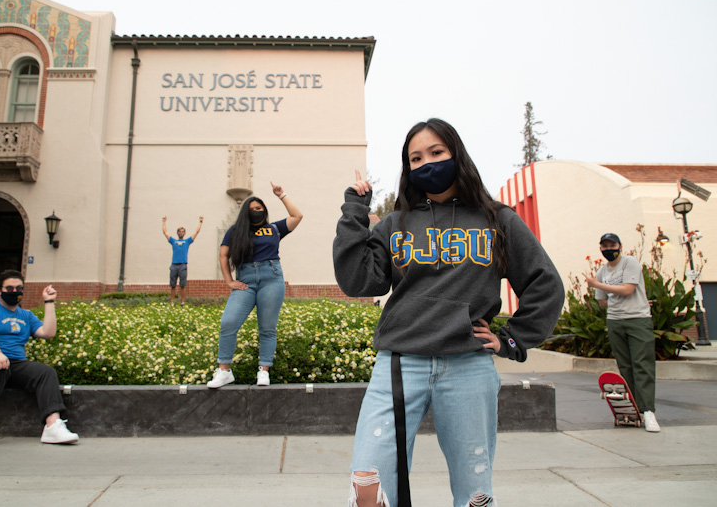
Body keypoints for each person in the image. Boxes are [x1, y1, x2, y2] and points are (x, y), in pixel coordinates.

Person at [333, 118, 565, 507]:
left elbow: (545, 282)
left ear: (457, 154)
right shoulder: (396, 223)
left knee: (475, 491)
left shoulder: (497, 219)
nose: (427, 163)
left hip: (467, 366)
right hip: (399, 364)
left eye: (437, 153)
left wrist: (513, 337)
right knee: (369, 485)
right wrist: (355, 210)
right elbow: (359, 281)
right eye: (416, 158)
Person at [0, 269, 79, 450]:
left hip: (13, 364)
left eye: (19, 288)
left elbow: (48, 333)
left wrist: (49, 302)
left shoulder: (25, 316)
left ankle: (52, 426)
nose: (14, 292)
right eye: (9, 288)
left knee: (45, 373)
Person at [207, 182, 303, 388]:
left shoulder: (274, 229)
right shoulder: (235, 231)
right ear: (245, 213)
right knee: (228, 323)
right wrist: (229, 281)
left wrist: (281, 195)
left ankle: (264, 370)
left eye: (259, 209)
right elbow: (223, 255)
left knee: (267, 328)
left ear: (265, 211)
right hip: (246, 281)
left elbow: (297, 216)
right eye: (251, 210)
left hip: (272, 278)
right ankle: (224, 371)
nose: (256, 212)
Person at [585, 233, 660, 433]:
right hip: (615, 321)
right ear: (600, 248)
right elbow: (602, 301)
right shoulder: (601, 271)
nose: (609, 248)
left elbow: (628, 290)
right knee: (625, 367)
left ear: (619, 246)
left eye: (612, 245)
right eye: (605, 246)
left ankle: (648, 412)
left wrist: (597, 285)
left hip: (638, 319)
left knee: (642, 364)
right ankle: (635, 409)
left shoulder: (629, 263)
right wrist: (603, 290)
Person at [162, 215, 203, 305]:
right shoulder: (174, 241)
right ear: (177, 233)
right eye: (179, 231)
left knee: (183, 285)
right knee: (173, 285)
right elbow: (165, 232)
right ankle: (172, 302)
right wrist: (164, 222)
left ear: (184, 233)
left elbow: (196, 232)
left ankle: (182, 302)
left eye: (182, 231)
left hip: (183, 265)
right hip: (174, 265)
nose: (181, 233)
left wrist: (200, 222)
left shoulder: (187, 241)